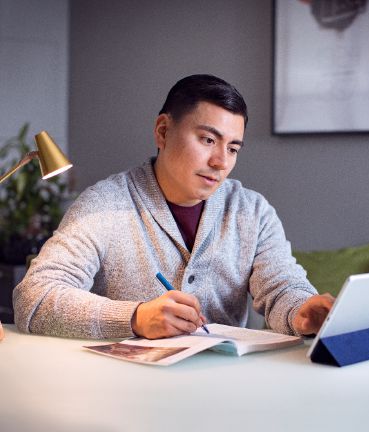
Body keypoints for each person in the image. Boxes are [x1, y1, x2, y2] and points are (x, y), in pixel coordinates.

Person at [13, 74, 334, 340]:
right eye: (208, 140)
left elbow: (282, 289)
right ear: (163, 131)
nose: (221, 162)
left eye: (233, 148)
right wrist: (135, 318)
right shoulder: (105, 205)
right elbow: (35, 298)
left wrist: (302, 312)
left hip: (223, 388)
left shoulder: (251, 211)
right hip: (125, 389)